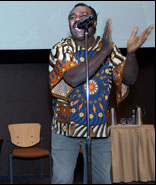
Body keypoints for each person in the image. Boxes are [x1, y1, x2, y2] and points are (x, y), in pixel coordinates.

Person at [48, 3, 154, 184]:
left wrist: (131, 55)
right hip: (65, 129)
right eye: (72, 17)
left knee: (102, 180)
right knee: (62, 179)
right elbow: (72, 78)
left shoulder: (109, 49)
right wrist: (104, 51)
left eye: (83, 15)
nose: (77, 19)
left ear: (94, 22)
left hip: (98, 129)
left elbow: (129, 79)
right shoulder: (62, 48)